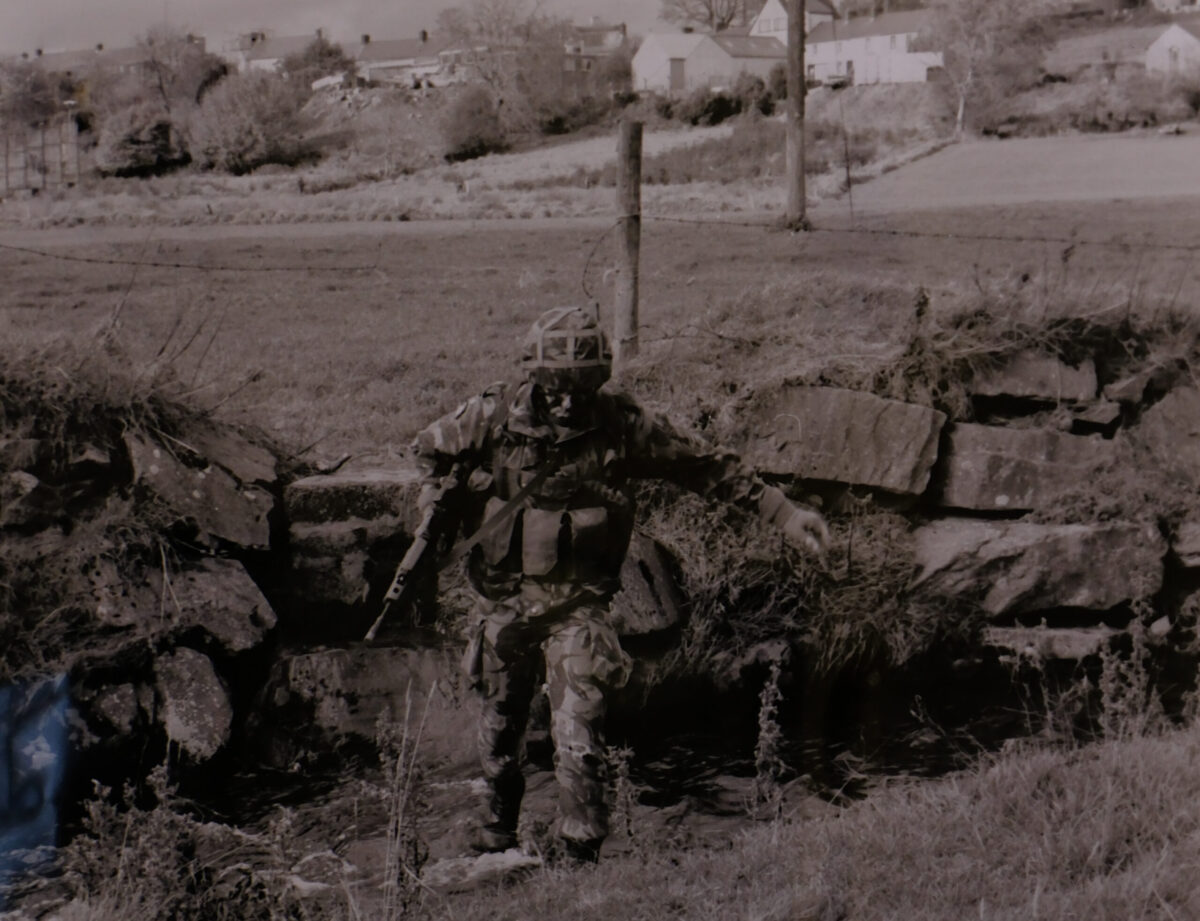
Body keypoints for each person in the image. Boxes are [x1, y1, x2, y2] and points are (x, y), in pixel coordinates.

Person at [411, 306, 829, 864]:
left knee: (577, 736)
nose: (565, 403)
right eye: (555, 390)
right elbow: (425, 453)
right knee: (499, 738)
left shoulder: (619, 424)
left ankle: (580, 860)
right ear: (534, 376)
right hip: (503, 606)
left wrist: (784, 513)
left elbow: (704, 465)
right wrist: (445, 501)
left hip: (577, 609)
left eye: (580, 392)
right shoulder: (488, 418)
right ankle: (497, 839)